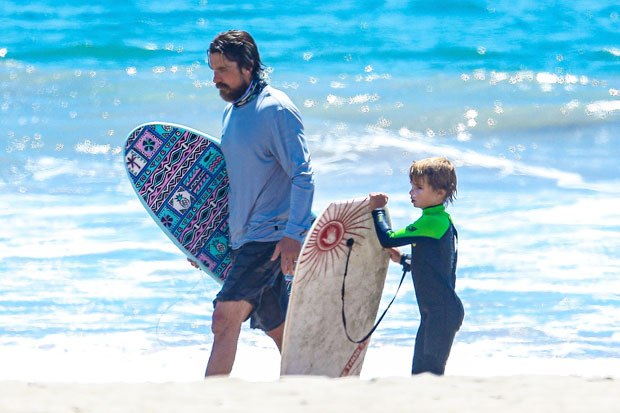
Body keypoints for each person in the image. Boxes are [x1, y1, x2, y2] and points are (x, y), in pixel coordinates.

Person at [204, 30, 314, 376]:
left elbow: (303, 175)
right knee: (279, 327)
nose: (214, 79)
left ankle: (208, 401)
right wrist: (205, 241)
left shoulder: (275, 109)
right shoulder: (232, 113)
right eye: (212, 69)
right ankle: (316, 386)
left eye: (222, 69)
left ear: (248, 67)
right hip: (244, 236)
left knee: (225, 317)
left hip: (271, 236)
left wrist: (294, 234)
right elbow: (234, 185)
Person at [369, 157, 464, 375]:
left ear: (440, 193)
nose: (412, 193)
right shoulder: (438, 222)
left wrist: (378, 210)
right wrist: (403, 259)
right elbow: (433, 264)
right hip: (435, 313)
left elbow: (388, 238)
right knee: (420, 374)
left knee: (429, 374)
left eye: (419, 188)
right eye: (412, 187)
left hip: (441, 313)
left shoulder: (433, 222)